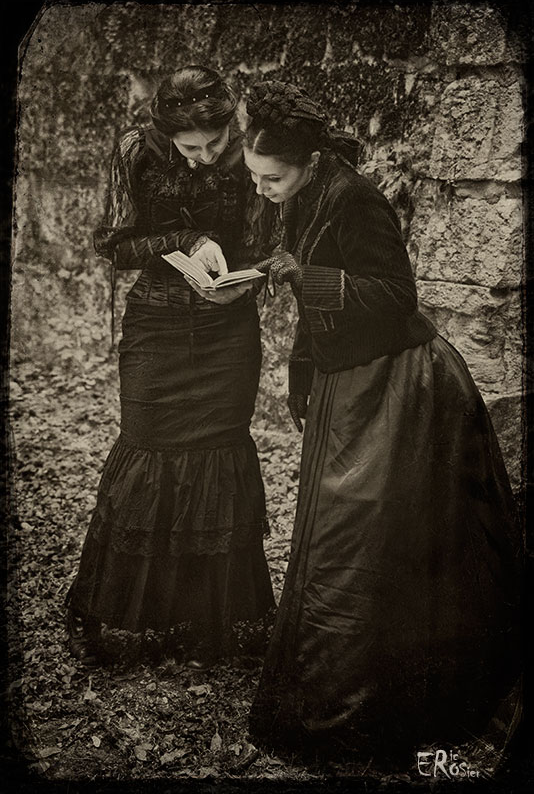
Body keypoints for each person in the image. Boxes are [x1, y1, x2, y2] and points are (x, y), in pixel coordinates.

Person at [243, 81, 523, 765]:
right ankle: (329, 689)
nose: (262, 190)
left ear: (310, 161)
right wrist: (302, 374)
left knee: (368, 539)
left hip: (398, 383)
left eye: (271, 178)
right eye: (254, 177)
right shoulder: (302, 196)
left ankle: (375, 704)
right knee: (339, 539)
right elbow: (313, 296)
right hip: (347, 380)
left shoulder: (356, 198)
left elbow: (397, 295)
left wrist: (303, 277)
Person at [66, 66, 276, 671]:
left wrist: (250, 278)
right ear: (166, 133)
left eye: (216, 143)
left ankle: (208, 620)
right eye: (190, 148)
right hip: (155, 326)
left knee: (220, 453)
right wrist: (182, 240)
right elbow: (113, 244)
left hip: (227, 331)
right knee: (146, 447)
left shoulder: (251, 150)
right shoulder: (136, 150)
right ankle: (126, 618)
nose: (205, 157)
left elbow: (271, 240)